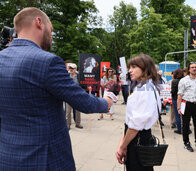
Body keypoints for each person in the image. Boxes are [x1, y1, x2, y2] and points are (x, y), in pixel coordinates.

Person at [0, 7, 113, 170]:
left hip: (7, 158)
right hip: (45, 160)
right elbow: (81, 101)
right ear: (39, 22)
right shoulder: (47, 62)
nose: (51, 37)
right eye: (51, 30)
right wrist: (106, 103)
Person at [116, 54, 161, 171]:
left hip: (139, 138)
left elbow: (135, 126)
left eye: (134, 67)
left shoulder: (145, 90)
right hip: (136, 137)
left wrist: (122, 146)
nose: (130, 70)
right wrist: (124, 142)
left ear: (145, 68)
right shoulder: (143, 87)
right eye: (129, 67)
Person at [177, 62, 196, 152]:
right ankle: (186, 143)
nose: (194, 69)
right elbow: (180, 95)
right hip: (186, 104)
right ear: (189, 69)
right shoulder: (183, 80)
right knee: (185, 125)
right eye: (192, 67)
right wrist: (179, 108)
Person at [66, 63, 83, 129]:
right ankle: (68, 124)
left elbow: (82, 85)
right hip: (68, 95)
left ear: (75, 69)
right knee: (68, 111)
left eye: (72, 68)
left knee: (78, 110)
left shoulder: (79, 76)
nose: (71, 69)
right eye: (70, 68)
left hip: (77, 95)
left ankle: (78, 123)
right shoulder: (66, 75)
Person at [171, 69, 184, 134]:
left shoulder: (174, 81)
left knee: (177, 114)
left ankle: (179, 129)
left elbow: (173, 91)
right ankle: (187, 129)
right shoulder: (184, 81)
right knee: (184, 114)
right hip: (183, 99)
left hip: (175, 98)